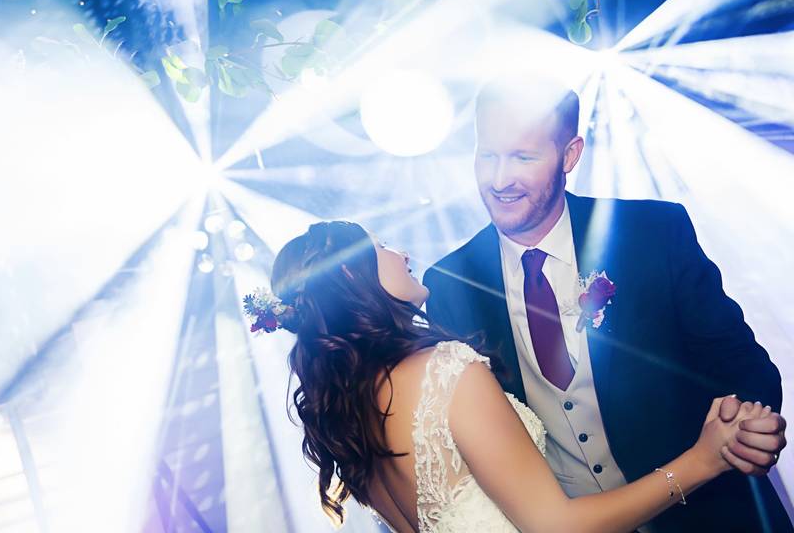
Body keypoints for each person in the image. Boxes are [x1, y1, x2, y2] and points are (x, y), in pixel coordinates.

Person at [423, 77, 790, 532]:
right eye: (488, 155)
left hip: (709, 517)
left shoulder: (652, 232)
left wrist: (750, 423)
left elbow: (743, 366)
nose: (500, 180)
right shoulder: (449, 284)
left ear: (569, 155)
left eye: (523, 157)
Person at [246, 220, 772, 532]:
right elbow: (556, 527)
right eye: (380, 246)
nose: (400, 252)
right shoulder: (445, 370)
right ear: (347, 273)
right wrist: (702, 460)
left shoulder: (352, 408)